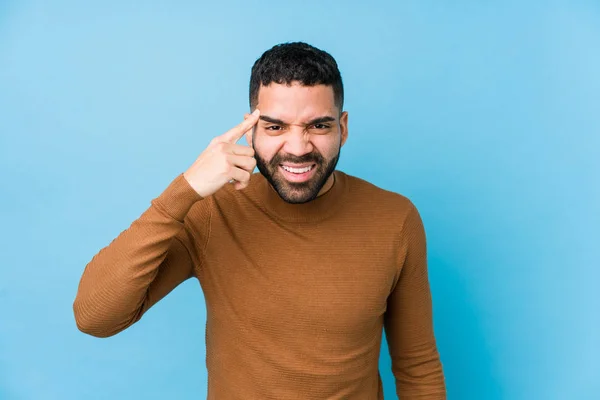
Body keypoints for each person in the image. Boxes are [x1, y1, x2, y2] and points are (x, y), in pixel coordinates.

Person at [73, 41, 446, 399]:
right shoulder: (211, 212)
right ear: (250, 128)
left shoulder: (395, 219)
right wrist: (182, 192)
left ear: (343, 128)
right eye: (275, 127)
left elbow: (418, 367)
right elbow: (96, 317)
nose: (298, 148)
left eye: (318, 126)